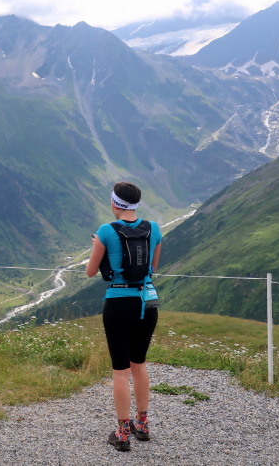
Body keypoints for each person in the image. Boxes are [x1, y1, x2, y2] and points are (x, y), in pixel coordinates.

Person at [85, 182, 162, 452]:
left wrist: (99, 247)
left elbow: (91, 271)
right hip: (147, 303)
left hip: (118, 304)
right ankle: (142, 424)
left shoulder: (106, 231)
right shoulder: (154, 229)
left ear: (114, 203)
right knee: (139, 365)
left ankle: (122, 432)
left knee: (120, 371)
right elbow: (152, 268)